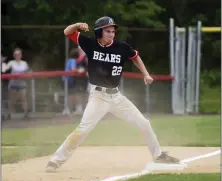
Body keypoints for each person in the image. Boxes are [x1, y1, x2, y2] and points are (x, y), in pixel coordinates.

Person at [46, 16, 180, 172]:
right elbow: (67, 32)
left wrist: (146, 74)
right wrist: (76, 24)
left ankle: (158, 156)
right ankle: (55, 160)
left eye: (113, 31)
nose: (111, 34)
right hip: (98, 97)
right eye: (107, 31)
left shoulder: (121, 47)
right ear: (99, 32)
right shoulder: (90, 44)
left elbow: (135, 57)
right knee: (82, 130)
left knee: (144, 123)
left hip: (117, 97)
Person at [2, 48, 31, 119]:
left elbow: (29, 71)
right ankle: (9, 114)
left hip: (22, 84)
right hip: (13, 84)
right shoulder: (11, 62)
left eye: (19, 54)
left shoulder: (24, 63)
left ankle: (26, 114)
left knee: (24, 99)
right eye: (16, 54)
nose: (17, 55)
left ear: (21, 55)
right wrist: (2, 62)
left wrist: (29, 73)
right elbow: (3, 70)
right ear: (14, 55)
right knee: (11, 100)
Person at [72, 46, 89, 115]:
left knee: (82, 94)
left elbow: (88, 67)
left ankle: (82, 109)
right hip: (78, 78)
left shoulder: (85, 57)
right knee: (79, 93)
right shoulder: (79, 58)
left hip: (83, 79)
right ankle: (80, 108)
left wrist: (81, 70)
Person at [62, 48, 79, 115]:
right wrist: (80, 70)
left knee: (69, 95)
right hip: (69, 80)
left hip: (66, 79)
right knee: (70, 95)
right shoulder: (73, 60)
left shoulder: (69, 60)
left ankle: (67, 109)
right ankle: (67, 109)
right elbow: (73, 69)